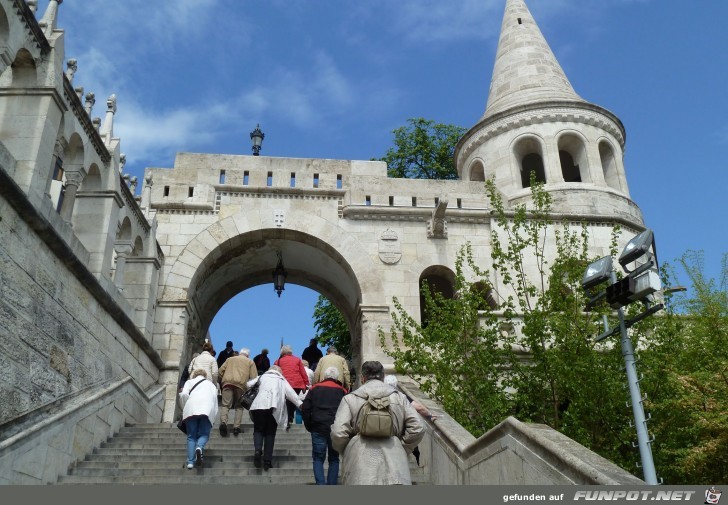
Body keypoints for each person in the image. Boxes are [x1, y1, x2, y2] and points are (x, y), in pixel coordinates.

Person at [331, 361, 425, 485]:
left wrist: (349, 450)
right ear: (383, 377)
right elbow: (418, 427)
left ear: (362, 378)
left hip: (360, 466)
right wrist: (402, 448)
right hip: (395, 465)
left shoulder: (350, 399)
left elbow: (338, 433)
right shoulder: (399, 397)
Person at [247, 365, 304, 471]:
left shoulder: (262, 377)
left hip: (258, 406)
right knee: (270, 433)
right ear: (279, 372)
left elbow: (248, 384)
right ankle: (267, 461)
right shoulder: (281, 380)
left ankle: (258, 450)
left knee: (258, 430)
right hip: (273, 408)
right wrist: (300, 404)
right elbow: (291, 393)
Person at [301, 366, 347, 485]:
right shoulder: (342, 390)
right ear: (336, 377)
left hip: (317, 426)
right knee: (334, 458)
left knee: (317, 457)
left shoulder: (314, 389)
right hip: (335, 427)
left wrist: (308, 424)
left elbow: (305, 408)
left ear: (324, 376)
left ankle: (320, 484)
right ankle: (331, 484)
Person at [384, 374, 438, 466]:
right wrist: (430, 415)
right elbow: (419, 408)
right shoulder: (401, 397)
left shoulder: (378, 396)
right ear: (396, 385)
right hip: (398, 437)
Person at [179, 369, 218, 469]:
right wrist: (213, 416)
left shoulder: (189, 382)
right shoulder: (212, 385)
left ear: (194, 375)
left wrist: (184, 407)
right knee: (204, 434)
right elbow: (215, 402)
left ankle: (190, 462)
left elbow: (183, 394)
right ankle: (199, 447)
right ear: (205, 376)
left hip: (191, 409)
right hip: (207, 410)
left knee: (191, 436)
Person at [217, 347, 258, 437]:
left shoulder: (229, 359)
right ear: (248, 355)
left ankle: (223, 422)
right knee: (239, 406)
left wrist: (220, 379)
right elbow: (254, 377)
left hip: (227, 383)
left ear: (240, 353)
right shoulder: (250, 362)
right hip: (241, 385)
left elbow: (220, 371)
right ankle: (236, 427)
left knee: (225, 405)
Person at [274, 344, 310, 430]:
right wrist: (306, 383)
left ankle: (287, 418)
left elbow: (274, 372)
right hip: (296, 384)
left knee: (285, 401)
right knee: (292, 401)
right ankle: (289, 417)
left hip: (283, 384)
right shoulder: (297, 360)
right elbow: (303, 373)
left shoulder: (278, 361)